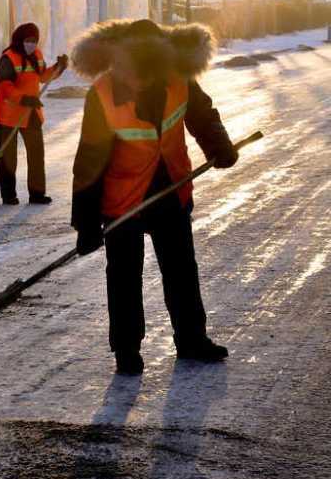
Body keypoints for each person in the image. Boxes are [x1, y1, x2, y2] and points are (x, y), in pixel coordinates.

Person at [70, 19, 239, 375]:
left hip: (171, 191)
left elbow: (203, 117)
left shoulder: (178, 79)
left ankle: (192, 339)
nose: (144, 82)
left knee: (181, 269)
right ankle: (126, 350)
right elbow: (89, 160)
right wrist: (85, 223)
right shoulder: (102, 93)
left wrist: (219, 146)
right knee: (124, 277)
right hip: (122, 200)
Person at [0, 23, 68, 205]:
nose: (31, 44)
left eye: (34, 40)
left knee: (36, 154)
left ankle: (37, 194)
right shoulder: (8, 58)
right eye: (28, 40)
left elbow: (43, 77)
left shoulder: (37, 56)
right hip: (8, 115)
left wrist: (58, 67)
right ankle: (8, 195)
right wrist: (24, 99)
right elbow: (6, 87)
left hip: (32, 113)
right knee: (9, 157)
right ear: (20, 40)